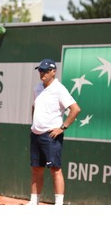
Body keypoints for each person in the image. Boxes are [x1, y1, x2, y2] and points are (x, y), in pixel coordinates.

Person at [28, 58, 81, 205]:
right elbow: (35, 107)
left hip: (51, 136)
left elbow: (75, 109)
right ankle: (34, 202)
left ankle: (58, 206)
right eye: (40, 70)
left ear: (53, 71)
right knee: (36, 169)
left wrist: (62, 128)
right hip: (36, 134)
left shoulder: (59, 89)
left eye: (45, 71)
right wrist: (35, 123)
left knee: (55, 170)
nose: (42, 73)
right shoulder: (37, 88)